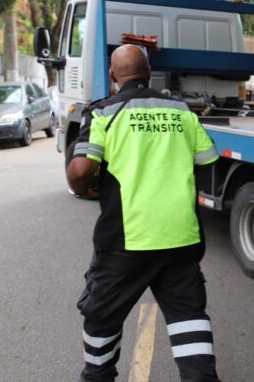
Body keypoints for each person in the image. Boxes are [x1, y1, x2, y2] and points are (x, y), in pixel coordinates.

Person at [67, 44, 220, 382]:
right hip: (182, 235)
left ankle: (98, 376)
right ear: (148, 72)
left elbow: (79, 171)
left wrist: (86, 188)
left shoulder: (104, 113)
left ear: (112, 74)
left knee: (102, 313)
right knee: (187, 316)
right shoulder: (181, 110)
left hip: (126, 238)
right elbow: (208, 158)